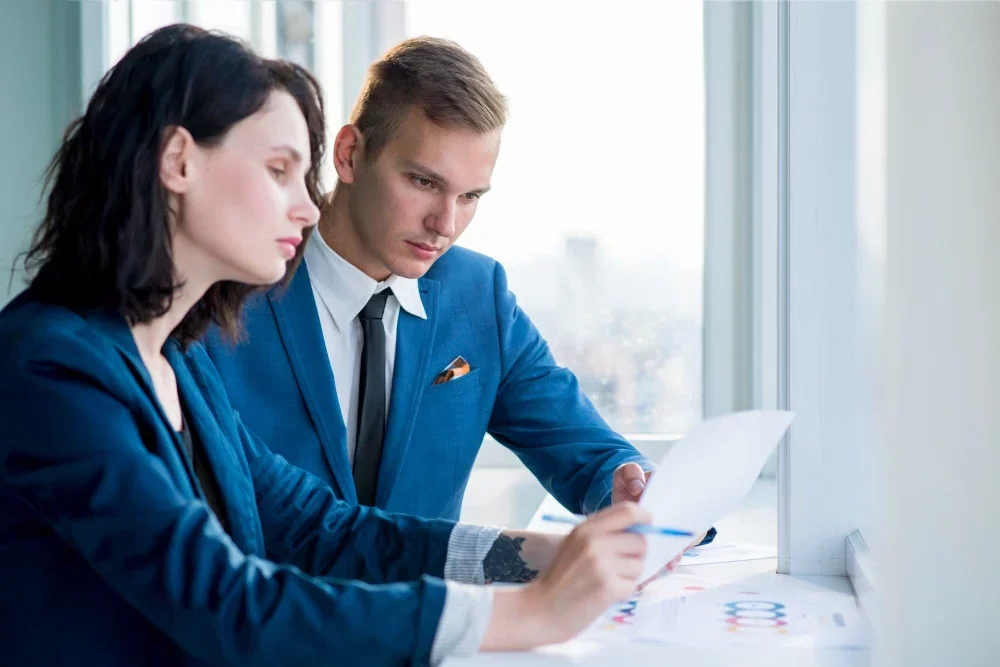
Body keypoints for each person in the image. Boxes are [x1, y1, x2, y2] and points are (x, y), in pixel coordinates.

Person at [0, 25, 681, 666]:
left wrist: (537, 558)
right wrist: (528, 614)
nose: (305, 205)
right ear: (178, 161)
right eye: (278, 169)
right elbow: (229, 600)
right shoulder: (50, 364)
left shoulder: (175, 357)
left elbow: (323, 529)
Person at [204, 37, 712, 533]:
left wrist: (626, 485)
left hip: (432, 615)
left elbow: (585, 448)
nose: (445, 224)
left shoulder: (478, 295)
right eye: (424, 182)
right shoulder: (227, 291)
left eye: (470, 196)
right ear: (349, 154)